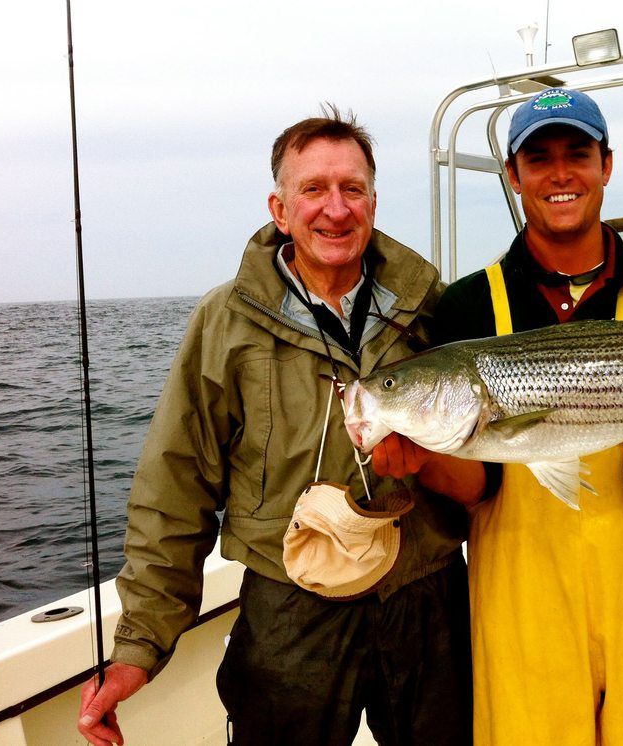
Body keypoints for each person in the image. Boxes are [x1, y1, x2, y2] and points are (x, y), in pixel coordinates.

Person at [77, 109, 483, 746]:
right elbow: (174, 484)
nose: (336, 209)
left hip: (425, 593)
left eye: (352, 189)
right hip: (290, 599)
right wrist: (138, 645)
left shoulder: (434, 304)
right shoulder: (226, 321)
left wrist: (621, 264)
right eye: (313, 189)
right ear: (280, 208)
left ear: (374, 203)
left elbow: (531, 366)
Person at [431, 88, 623, 744]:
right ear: (513, 175)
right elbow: (473, 489)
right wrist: (419, 453)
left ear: (607, 165)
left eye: (578, 154)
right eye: (538, 159)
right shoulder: (465, 309)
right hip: (524, 607)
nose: (560, 173)